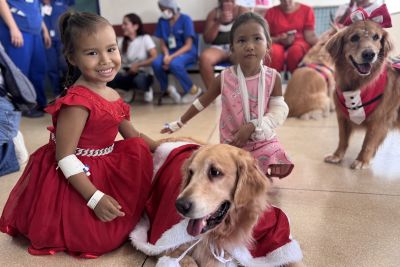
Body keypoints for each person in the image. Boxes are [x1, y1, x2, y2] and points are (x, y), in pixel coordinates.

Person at [0, 11, 158, 257]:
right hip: (74, 173)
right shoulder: (77, 103)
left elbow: (132, 134)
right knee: (98, 239)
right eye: (92, 53)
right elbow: (65, 157)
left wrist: (163, 146)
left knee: (137, 153)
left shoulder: (112, 94)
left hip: (103, 164)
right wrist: (94, 198)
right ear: (72, 58)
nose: (106, 60)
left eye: (111, 49)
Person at [161, 12, 293, 179]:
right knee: (225, 169)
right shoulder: (224, 78)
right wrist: (179, 122)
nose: (249, 46)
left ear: (268, 44)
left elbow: (279, 110)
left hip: (262, 139)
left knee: (274, 152)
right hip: (233, 143)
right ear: (232, 48)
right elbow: (202, 102)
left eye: (257, 38)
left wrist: (253, 125)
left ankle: (257, 172)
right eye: (242, 41)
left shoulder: (273, 77)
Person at [0, 0, 51, 117]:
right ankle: (23, 106)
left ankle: (39, 103)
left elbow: (35, 8)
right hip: (18, 29)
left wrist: (44, 29)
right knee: (20, 72)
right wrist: (13, 28)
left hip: (35, 31)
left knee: (38, 71)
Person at [152, 0, 202, 104]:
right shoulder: (162, 21)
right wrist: (166, 55)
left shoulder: (186, 19)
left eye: (164, 9)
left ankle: (193, 90)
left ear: (172, 7)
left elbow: (188, 45)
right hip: (169, 52)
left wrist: (171, 58)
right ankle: (166, 89)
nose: (163, 12)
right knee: (156, 63)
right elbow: (162, 43)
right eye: (161, 10)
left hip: (187, 52)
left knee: (175, 64)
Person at [199, 0, 248, 92]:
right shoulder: (214, 14)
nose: (228, 3)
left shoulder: (242, 11)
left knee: (244, 58)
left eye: (231, 1)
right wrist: (219, 22)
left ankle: (243, 92)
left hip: (236, 46)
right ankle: (213, 93)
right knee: (204, 58)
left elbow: (249, 33)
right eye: (225, 1)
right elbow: (207, 39)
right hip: (218, 48)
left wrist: (238, 20)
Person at [108, 13, 157, 103]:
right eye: (122, 24)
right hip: (128, 72)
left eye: (125, 24)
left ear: (135, 26)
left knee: (139, 80)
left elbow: (154, 56)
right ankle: (128, 90)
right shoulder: (122, 41)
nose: (122, 27)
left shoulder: (145, 38)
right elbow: (118, 59)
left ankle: (147, 89)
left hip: (143, 72)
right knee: (110, 78)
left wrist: (138, 65)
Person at [264, 0, 318, 74]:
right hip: (277, 41)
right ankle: (272, 81)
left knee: (296, 52)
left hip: (299, 42)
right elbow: (265, 38)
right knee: (274, 52)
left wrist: (323, 44)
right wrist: (279, 39)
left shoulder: (307, 10)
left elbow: (309, 36)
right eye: (283, 0)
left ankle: (298, 80)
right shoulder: (271, 12)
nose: (286, 2)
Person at [41, 0, 75, 96]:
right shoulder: (37, 4)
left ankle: (71, 92)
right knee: (52, 68)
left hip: (63, 39)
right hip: (47, 41)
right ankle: (57, 94)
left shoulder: (62, 2)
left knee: (67, 66)